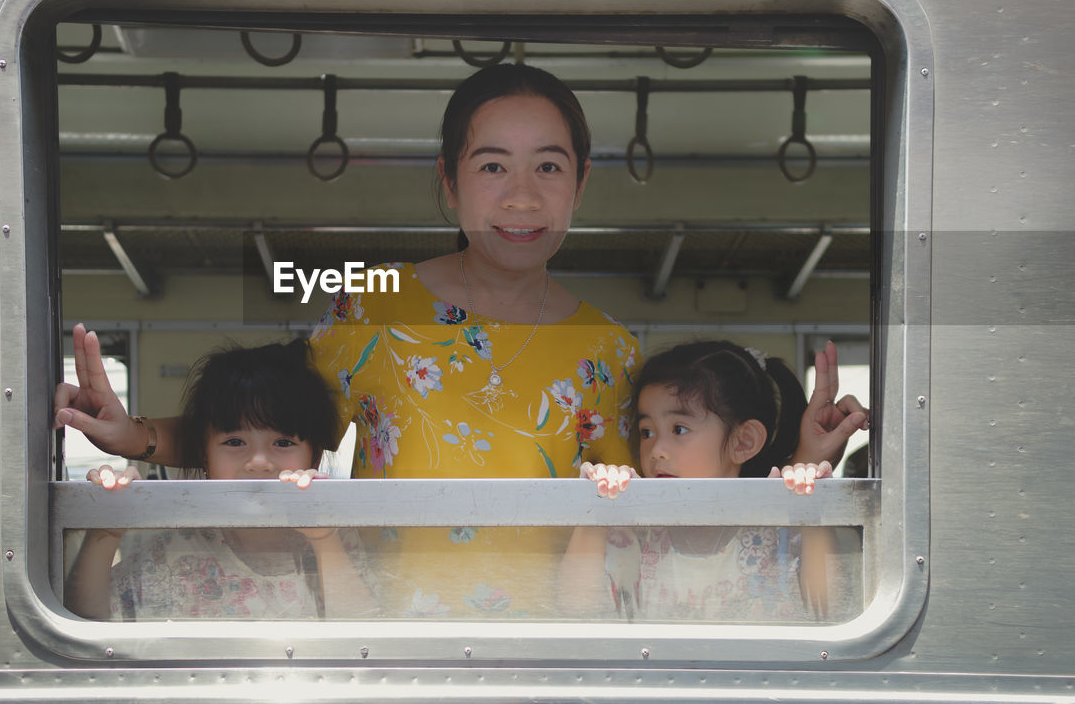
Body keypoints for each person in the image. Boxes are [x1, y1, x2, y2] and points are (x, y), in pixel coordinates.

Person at [55, 64, 866, 618]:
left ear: (581, 183)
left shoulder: (612, 346)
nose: (521, 196)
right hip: (386, 632)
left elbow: (670, 500)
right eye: (491, 167)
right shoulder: (367, 300)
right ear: (448, 182)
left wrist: (800, 463)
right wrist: (137, 436)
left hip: (557, 645)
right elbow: (263, 417)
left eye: (549, 168)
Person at [63, 340, 378, 621]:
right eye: (234, 442)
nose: (258, 462)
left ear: (315, 457)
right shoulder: (175, 550)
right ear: (203, 455)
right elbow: (89, 623)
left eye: (283, 443)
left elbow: (364, 635)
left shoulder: (334, 532)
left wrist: (325, 539)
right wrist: (105, 529)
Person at [560, 340, 857, 622]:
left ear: (744, 442)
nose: (656, 451)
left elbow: (827, 610)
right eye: (647, 432)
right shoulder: (635, 533)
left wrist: (811, 504)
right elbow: (575, 608)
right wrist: (597, 508)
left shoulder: (783, 532)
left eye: (678, 429)